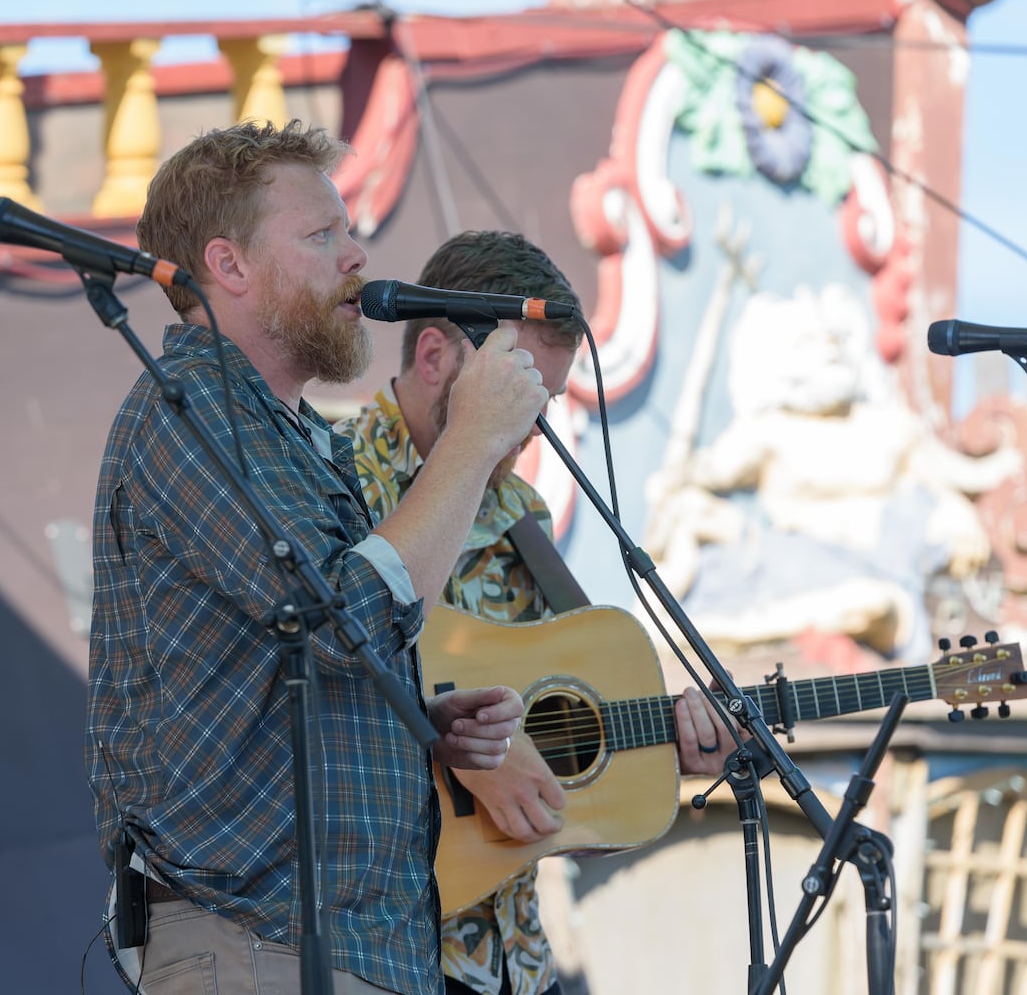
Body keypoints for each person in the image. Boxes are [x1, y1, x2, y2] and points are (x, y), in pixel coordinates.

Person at [86, 122, 547, 995]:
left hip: (351, 947)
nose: (356, 254)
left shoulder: (302, 440)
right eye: (322, 235)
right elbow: (347, 618)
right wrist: (474, 439)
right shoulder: (187, 411)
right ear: (228, 266)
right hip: (251, 942)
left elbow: (322, 642)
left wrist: (417, 724)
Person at [334, 230, 736, 995]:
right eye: (520, 393)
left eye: (546, 403)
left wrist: (656, 758)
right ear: (432, 359)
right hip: (383, 956)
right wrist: (457, 743)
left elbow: (556, 797)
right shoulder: (332, 481)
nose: (533, 429)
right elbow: (321, 698)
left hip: (514, 962)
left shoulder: (524, 515)